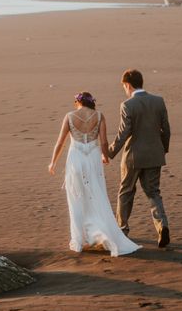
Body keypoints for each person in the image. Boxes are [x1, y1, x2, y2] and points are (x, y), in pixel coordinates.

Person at [48, 91, 141, 257]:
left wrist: (53, 162)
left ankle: (79, 239)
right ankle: (98, 232)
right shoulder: (99, 116)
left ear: (78, 102)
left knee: (76, 197)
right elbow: (104, 141)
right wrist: (105, 156)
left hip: (75, 158)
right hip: (92, 158)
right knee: (97, 195)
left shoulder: (70, 116)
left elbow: (61, 141)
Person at [108, 69, 171, 248]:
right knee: (153, 192)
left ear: (128, 85)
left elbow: (123, 133)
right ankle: (162, 226)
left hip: (133, 156)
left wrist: (110, 152)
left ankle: (122, 229)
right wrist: (163, 149)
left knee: (126, 191)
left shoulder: (128, 105)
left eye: (124, 87)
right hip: (154, 154)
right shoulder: (158, 102)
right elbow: (166, 129)